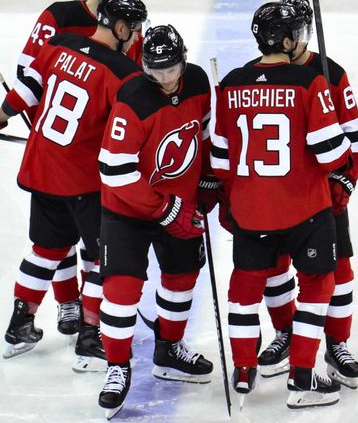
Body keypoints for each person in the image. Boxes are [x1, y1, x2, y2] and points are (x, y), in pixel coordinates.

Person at [0, 0, 148, 370]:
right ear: (118, 26)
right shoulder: (122, 73)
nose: (137, 35)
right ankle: (90, 334)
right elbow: (125, 131)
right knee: (101, 260)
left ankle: (20, 326)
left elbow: (28, 90)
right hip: (85, 182)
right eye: (134, 27)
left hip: (42, 168)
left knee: (45, 249)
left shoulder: (59, 44)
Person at [211, 2, 352, 409]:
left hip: (250, 212)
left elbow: (220, 161)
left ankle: (242, 372)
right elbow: (331, 155)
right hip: (304, 210)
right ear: (288, 40)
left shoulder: (233, 82)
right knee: (316, 287)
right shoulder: (309, 81)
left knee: (244, 288)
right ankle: (302, 379)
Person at [96, 24, 214, 419]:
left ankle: (168, 348)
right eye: (154, 71)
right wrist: (165, 209)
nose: (163, 79)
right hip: (128, 210)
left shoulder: (197, 81)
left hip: (179, 201)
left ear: (183, 60)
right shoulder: (133, 98)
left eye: (170, 70)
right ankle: (116, 366)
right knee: (122, 289)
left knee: (182, 278)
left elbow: (206, 133)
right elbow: (114, 170)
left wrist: (209, 181)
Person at [257, 0, 358, 388]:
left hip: (321, 196)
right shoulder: (260, 75)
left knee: (339, 271)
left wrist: (345, 183)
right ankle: (286, 333)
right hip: (273, 196)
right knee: (273, 268)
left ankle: (337, 344)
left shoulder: (330, 74)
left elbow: (355, 139)